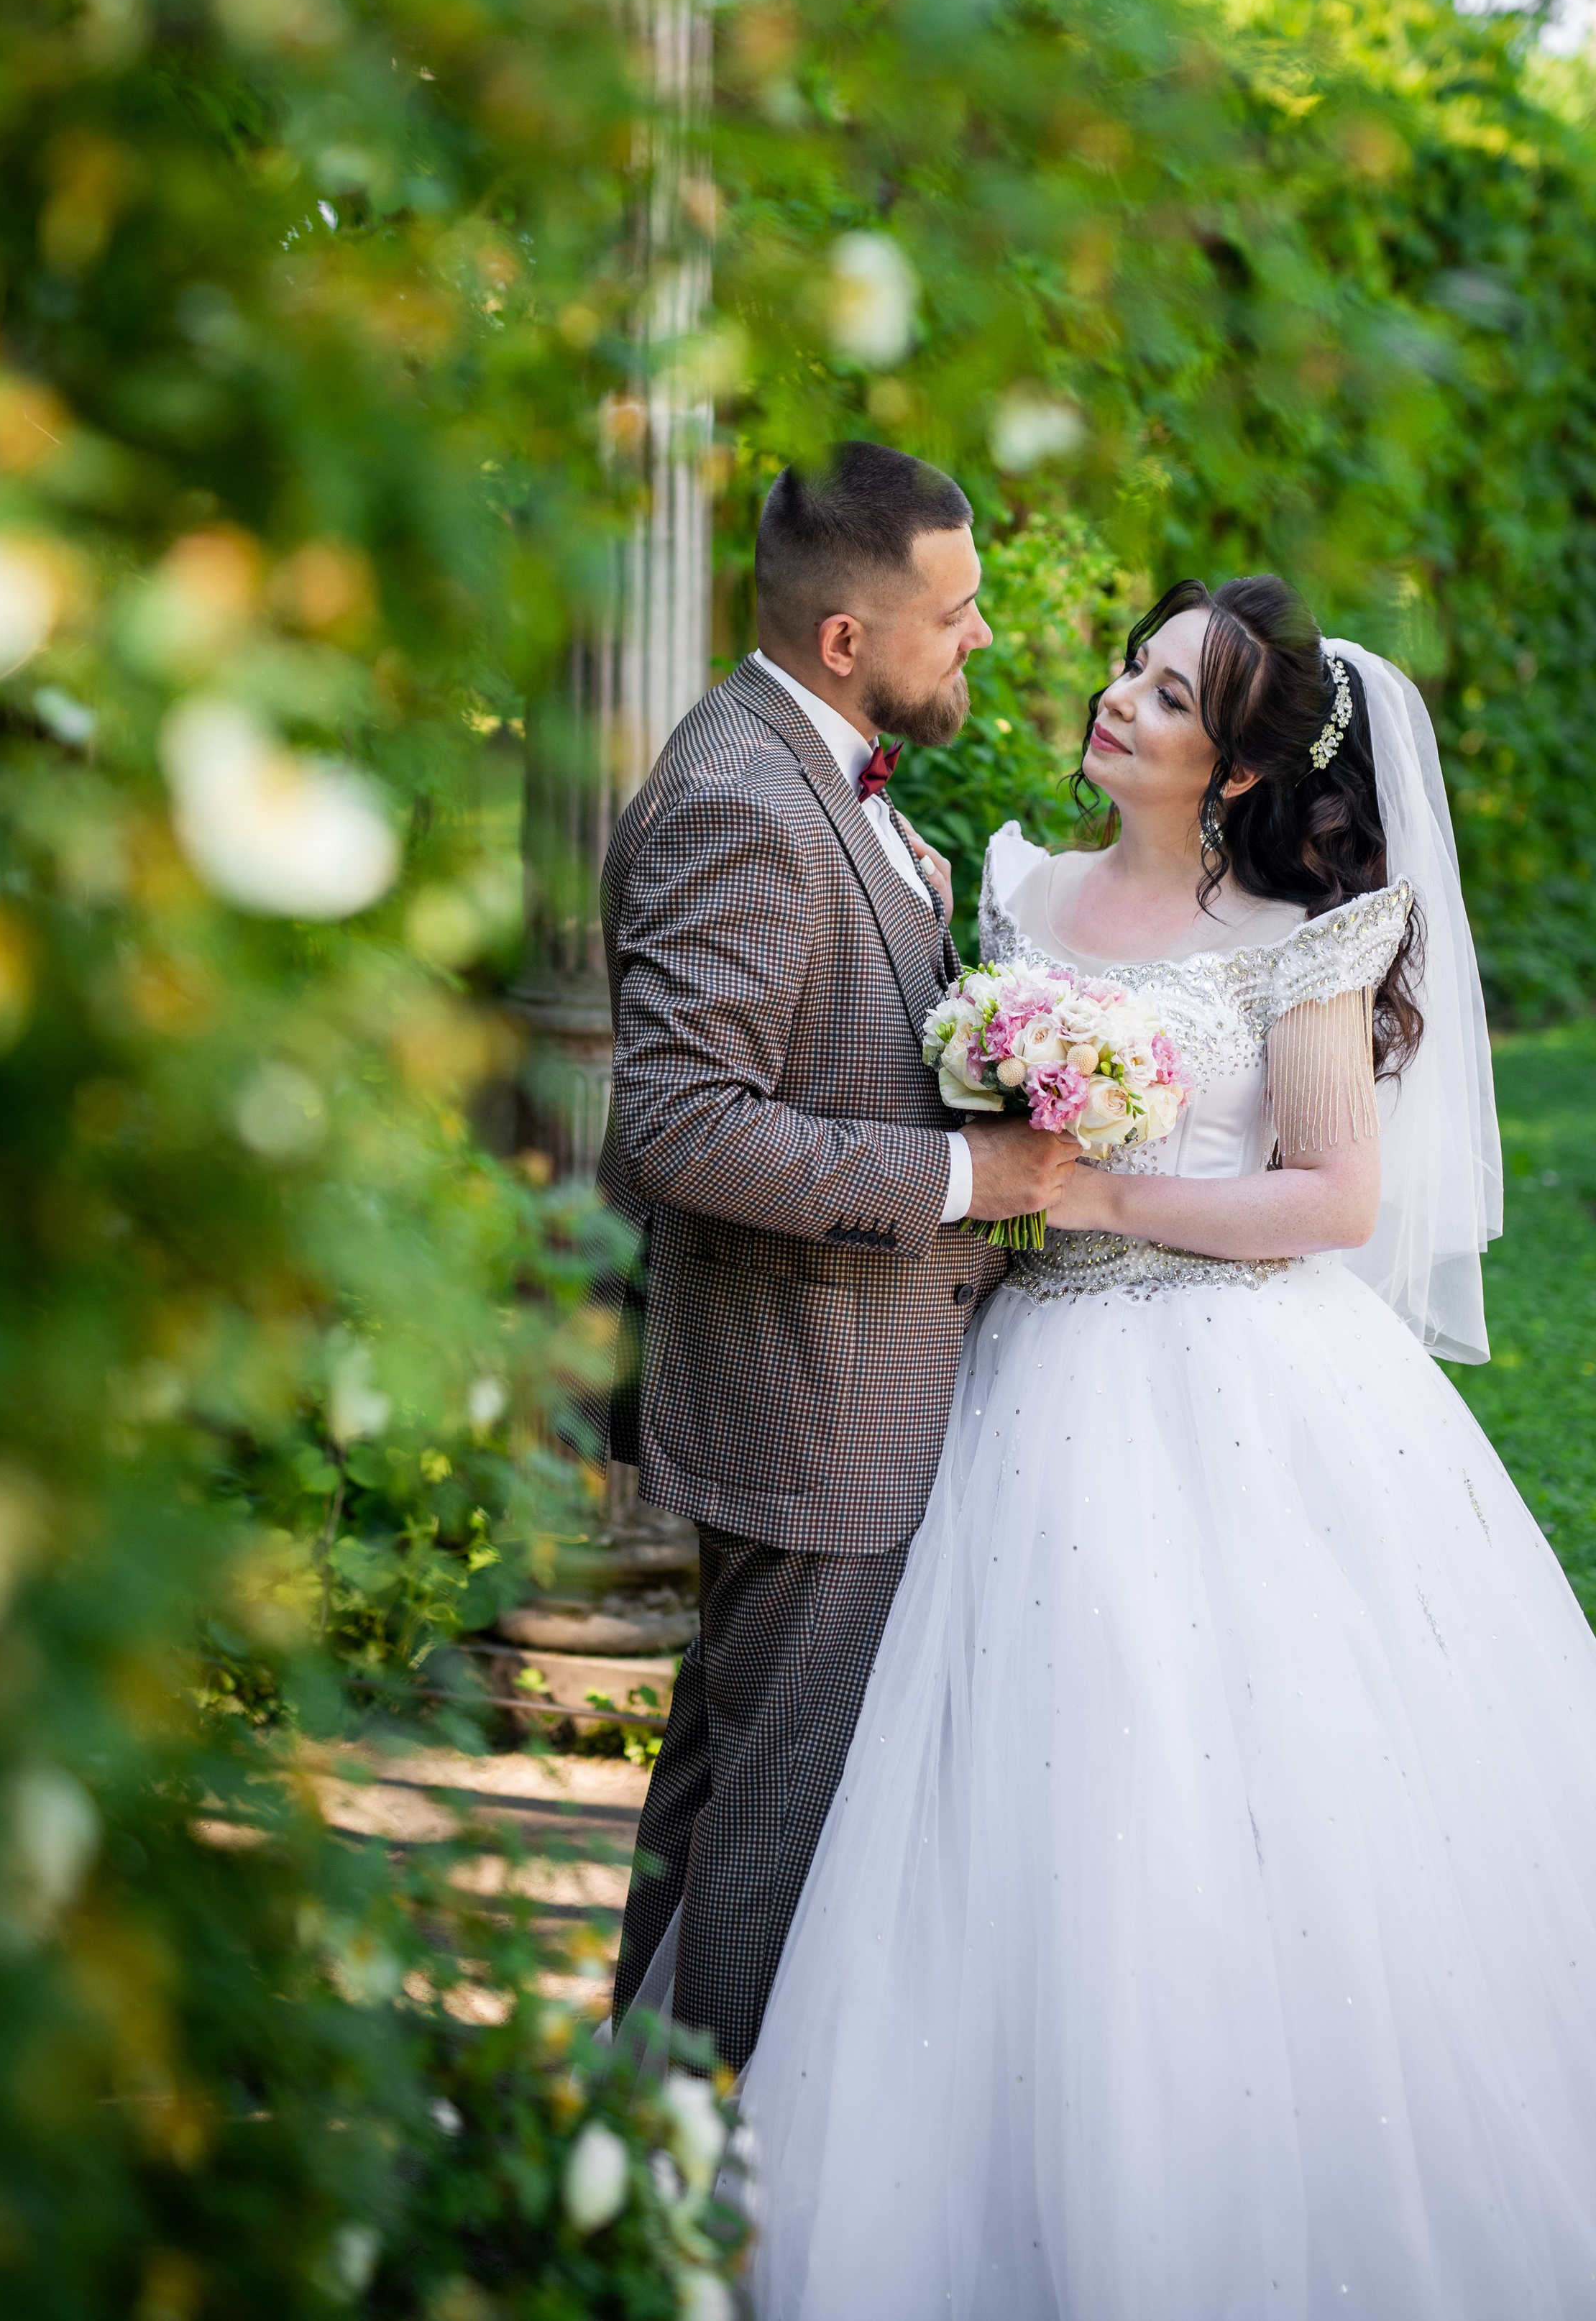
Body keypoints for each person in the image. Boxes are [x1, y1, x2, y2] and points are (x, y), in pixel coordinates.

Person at [743, 573, 1596, 2318]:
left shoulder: (1293, 939)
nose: (1118, 700)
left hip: (1233, 1385)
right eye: (1130, 667)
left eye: (1167, 697)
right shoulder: (1009, 883)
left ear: (1235, 772)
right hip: (1019, 1383)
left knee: (1246, 1777)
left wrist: (1096, 1185)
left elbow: (1331, 1195)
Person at [598, 442, 1079, 2071]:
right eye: (955, 613)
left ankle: (625, 2138)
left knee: (723, 1794)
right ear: (843, 643)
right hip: (814, 1412)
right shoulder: (744, 795)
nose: (983, 638)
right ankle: (697, 2188)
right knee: (771, 1839)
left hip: (832, 1390)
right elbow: (675, 1124)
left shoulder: (816, 771)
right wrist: (970, 1169)